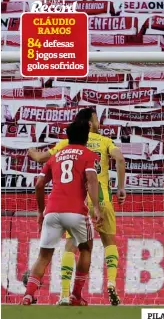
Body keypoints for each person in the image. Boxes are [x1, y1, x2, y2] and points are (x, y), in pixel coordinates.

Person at [28, 108, 126, 306]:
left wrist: (30, 151)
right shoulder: (104, 141)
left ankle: (64, 294)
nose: (99, 123)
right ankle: (111, 283)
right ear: (89, 123)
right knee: (108, 243)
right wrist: (121, 188)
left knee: (71, 247)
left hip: (76, 200)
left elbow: (42, 159)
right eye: (97, 119)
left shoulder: (66, 143)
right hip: (100, 197)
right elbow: (120, 159)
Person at [22, 121, 102, 306]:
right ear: (86, 138)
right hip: (76, 212)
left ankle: (28, 295)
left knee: (44, 256)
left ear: (68, 137)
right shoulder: (88, 155)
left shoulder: (55, 156)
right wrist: (96, 207)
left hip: (52, 211)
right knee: (86, 249)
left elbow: (39, 185)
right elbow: (91, 180)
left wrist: (41, 212)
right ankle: (75, 295)